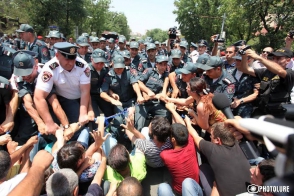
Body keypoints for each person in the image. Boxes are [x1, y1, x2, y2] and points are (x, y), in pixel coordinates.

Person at [34, 42, 90, 146]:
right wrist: (49, 123)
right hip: (60, 98)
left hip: (80, 99)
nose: (70, 63)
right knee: (55, 131)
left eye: (72, 59)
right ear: (57, 56)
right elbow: (39, 97)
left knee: (80, 128)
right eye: (67, 59)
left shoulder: (82, 66)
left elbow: (85, 91)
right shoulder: (49, 68)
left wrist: (83, 113)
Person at [185, 118, 251, 196]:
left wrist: (188, 123)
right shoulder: (239, 144)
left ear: (218, 140)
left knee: (203, 168)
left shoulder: (213, 150)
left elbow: (195, 136)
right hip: (249, 191)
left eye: (211, 136)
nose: (210, 137)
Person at [100, 55, 143, 145]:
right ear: (113, 65)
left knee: (131, 119)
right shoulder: (109, 75)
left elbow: (135, 83)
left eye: (121, 68)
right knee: (118, 120)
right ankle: (116, 139)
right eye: (117, 68)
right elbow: (103, 93)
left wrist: (139, 95)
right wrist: (112, 99)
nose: (119, 70)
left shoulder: (128, 72)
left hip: (130, 101)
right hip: (118, 103)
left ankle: (131, 141)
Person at [240, 48, 294, 118]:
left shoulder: (290, 73)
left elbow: (280, 71)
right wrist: (244, 56)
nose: (275, 60)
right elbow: (245, 69)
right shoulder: (266, 72)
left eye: (278, 58)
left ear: (288, 60)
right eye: (274, 58)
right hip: (262, 110)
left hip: (277, 113)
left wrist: (258, 58)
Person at [158, 122, 202, 196]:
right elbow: (182, 126)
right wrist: (173, 111)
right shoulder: (190, 141)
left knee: (163, 187)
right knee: (186, 183)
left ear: (173, 139)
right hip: (194, 185)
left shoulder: (165, 155)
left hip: (179, 190)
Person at [134, 55, 171, 131]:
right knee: (139, 125)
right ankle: (136, 142)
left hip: (155, 103)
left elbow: (167, 91)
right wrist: (148, 91)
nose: (163, 67)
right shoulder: (149, 71)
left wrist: (163, 95)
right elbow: (139, 82)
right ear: (156, 64)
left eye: (165, 65)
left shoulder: (166, 76)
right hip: (143, 103)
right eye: (161, 64)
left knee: (167, 115)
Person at [88, 49, 113, 118]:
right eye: (97, 63)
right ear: (91, 59)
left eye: (102, 63)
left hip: (102, 94)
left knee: (110, 112)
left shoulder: (105, 69)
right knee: (95, 116)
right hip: (90, 96)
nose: (99, 65)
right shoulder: (87, 70)